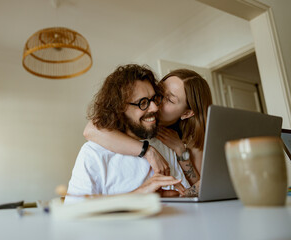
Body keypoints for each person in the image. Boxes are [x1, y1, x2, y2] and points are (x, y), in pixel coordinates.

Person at [65, 64, 190, 203]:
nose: (155, 108)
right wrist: (138, 194)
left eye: (154, 99)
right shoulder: (93, 153)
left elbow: (188, 200)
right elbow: (74, 213)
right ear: (120, 108)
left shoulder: (164, 146)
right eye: (143, 103)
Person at [84, 68, 213, 196]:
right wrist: (147, 151)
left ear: (187, 113)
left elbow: (202, 185)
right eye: (159, 92)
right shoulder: (99, 149)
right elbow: (91, 129)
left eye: (170, 100)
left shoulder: (190, 137)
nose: (156, 104)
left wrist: (181, 151)